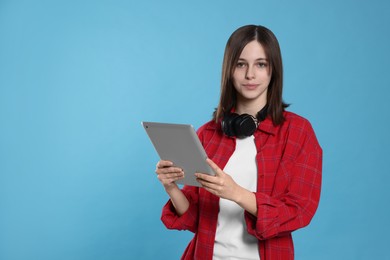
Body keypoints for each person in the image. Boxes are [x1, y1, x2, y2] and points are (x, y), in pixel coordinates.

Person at [155, 25, 322, 260]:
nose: (250, 75)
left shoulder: (298, 132)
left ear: (273, 70)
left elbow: (300, 210)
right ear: (229, 70)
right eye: (241, 64)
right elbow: (194, 219)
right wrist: (171, 187)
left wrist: (236, 193)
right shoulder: (208, 133)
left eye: (261, 64)